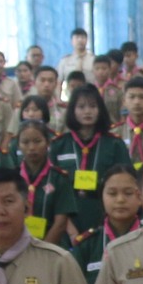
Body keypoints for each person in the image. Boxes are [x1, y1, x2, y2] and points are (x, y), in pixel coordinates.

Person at [50, 84, 133, 245]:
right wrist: (69, 228)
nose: (87, 111)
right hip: (67, 219)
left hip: (104, 214)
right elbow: (52, 188)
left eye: (93, 106)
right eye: (81, 107)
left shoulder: (114, 144)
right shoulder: (60, 144)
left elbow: (126, 183)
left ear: (100, 109)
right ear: (72, 110)